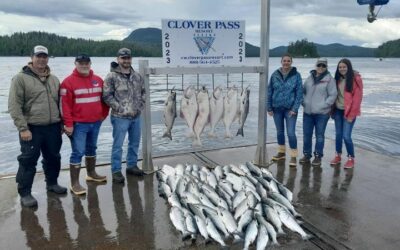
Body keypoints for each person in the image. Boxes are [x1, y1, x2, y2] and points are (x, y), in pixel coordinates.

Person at [8, 45, 67, 207]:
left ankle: (52, 183)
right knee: (28, 161)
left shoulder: (54, 79)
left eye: (44, 56)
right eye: (38, 56)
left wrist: (62, 122)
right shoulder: (20, 78)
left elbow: (60, 103)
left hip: (53, 127)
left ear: (48, 58)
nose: (41, 59)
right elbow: (14, 106)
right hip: (32, 128)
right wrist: (23, 128)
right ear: (31, 57)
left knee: (54, 157)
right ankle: (25, 192)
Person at [60, 54, 109, 195]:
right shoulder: (67, 82)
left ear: (90, 63)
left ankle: (91, 173)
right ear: (75, 64)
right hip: (78, 125)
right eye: (80, 63)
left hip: (95, 122)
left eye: (86, 62)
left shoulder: (98, 80)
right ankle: (74, 183)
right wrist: (68, 124)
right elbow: (65, 106)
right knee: (78, 152)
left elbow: (105, 100)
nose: (84, 65)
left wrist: (103, 115)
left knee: (92, 148)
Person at [103, 48, 146, 183]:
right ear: (118, 59)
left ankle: (131, 166)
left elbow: (143, 92)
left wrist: (140, 106)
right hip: (119, 117)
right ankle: (116, 171)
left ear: (130, 59)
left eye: (128, 58)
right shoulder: (111, 76)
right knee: (118, 145)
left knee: (134, 143)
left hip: (136, 117)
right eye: (123, 58)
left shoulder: (137, 76)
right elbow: (107, 96)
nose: (126, 60)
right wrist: (119, 108)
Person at [267, 53, 303, 167]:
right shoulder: (274, 75)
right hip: (276, 108)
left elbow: (299, 93)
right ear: (281, 61)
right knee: (280, 132)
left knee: (291, 133)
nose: (286, 62)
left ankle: (293, 156)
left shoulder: (296, 75)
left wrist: (295, 108)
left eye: (288, 61)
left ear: (291, 62)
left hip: (290, 110)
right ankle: (281, 152)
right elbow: (269, 92)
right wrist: (269, 107)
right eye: (284, 61)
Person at [300, 58, 337, 166]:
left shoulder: (329, 79)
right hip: (307, 113)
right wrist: (303, 102)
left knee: (319, 135)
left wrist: (324, 106)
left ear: (326, 67)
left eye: (323, 65)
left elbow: (333, 95)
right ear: (315, 66)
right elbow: (302, 91)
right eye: (319, 65)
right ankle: (307, 155)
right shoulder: (309, 77)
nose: (321, 67)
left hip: (322, 114)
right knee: (307, 135)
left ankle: (318, 156)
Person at [330, 59, 363, 169]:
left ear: (348, 67)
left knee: (346, 136)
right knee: (338, 135)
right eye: (340, 67)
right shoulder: (337, 79)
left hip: (349, 112)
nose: (342, 69)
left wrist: (351, 115)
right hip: (338, 111)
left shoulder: (355, 79)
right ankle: (338, 156)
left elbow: (357, 99)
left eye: (344, 67)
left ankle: (350, 158)